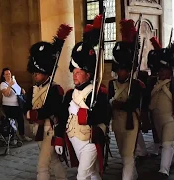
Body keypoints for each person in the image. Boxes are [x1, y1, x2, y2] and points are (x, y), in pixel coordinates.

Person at [53, 15, 110, 180]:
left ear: (88, 73)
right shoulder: (70, 93)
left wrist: (83, 114)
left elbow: (104, 116)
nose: (75, 76)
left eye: (79, 72)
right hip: (73, 140)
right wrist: (58, 137)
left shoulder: (98, 92)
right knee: (92, 173)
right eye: (74, 72)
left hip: (90, 142)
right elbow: (62, 117)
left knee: (82, 176)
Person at [24, 24, 72, 180]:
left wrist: (38, 113)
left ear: (46, 72)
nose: (35, 76)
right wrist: (28, 112)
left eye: (38, 73)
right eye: (34, 72)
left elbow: (54, 109)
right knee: (54, 162)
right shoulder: (32, 89)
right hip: (37, 129)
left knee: (42, 166)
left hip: (50, 130)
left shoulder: (55, 89)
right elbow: (26, 105)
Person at [108, 19, 146, 180]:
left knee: (129, 154)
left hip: (131, 121)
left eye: (125, 69)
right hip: (117, 122)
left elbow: (133, 104)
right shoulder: (111, 84)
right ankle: (133, 174)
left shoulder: (136, 84)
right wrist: (112, 103)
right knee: (124, 153)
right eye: (120, 70)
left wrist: (118, 104)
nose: (122, 73)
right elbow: (108, 100)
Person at [143, 36, 174, 177]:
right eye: (159, 70)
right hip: (156, 118)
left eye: (164, 70)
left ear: (170, 70)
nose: (161, 72)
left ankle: (164, 170)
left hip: (170, 118)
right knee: (162, 142)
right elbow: (146, 99)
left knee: (168, 143)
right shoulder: (151, 83)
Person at [0, 67, 31, 142]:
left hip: (17, 105)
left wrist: (22, 90)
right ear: (3, 76)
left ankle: (22, 135)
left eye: (9, 73)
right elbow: (7, 94)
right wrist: (10, 85)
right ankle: (13, 137)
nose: (8, 75)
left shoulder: (13, 81)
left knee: (21, 120)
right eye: (6, 74)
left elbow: (18, 89)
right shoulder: (3, 84)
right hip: (9, 107)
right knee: (12, 121)